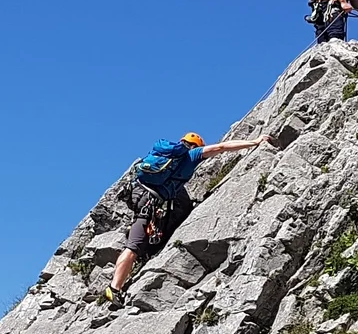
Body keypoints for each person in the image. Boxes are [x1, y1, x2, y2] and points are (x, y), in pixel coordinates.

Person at [103, 131, 268, 305]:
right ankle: (114, 288)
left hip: (139, 195)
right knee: (133, 247)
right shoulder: (192, 155)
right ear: (196, 146)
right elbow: (221, 147)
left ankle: (145, 248)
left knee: (149, 228)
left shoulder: (163, 151)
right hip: (151, 201)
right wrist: (254, 142)